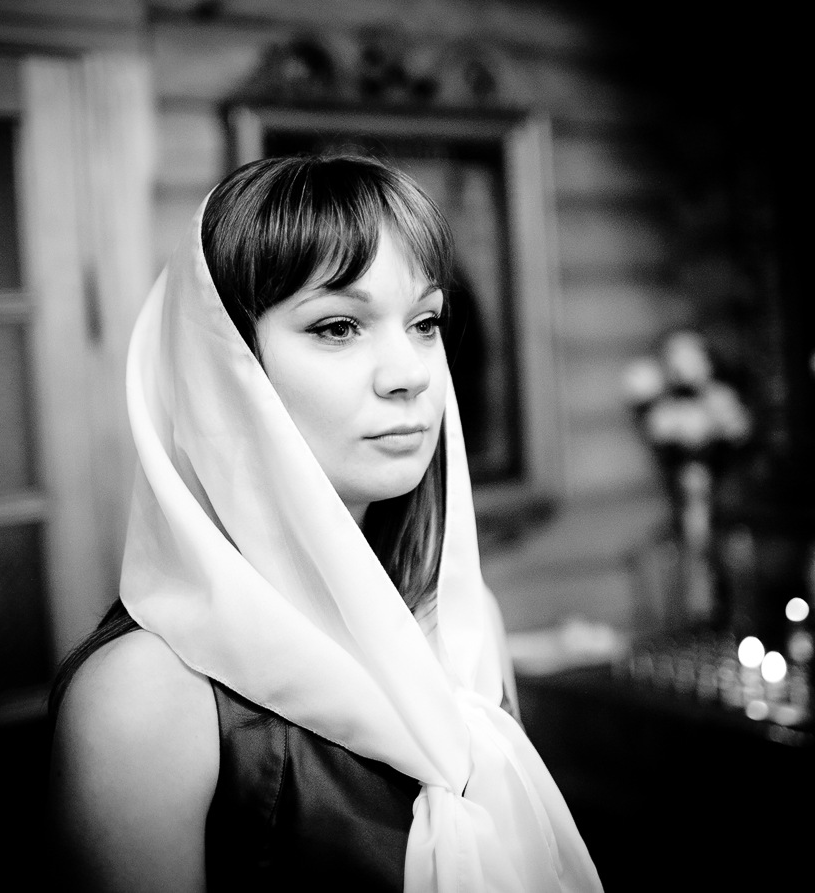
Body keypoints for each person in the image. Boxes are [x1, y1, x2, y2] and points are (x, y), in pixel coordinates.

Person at [47, 153, 604, 892]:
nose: (410, 374)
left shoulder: (463, 621)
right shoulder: (145, 698)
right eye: (339, 326)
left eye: (425, 322)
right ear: (222, 370)